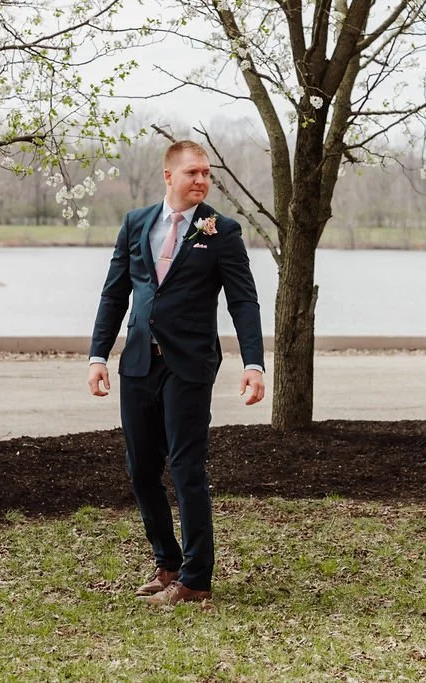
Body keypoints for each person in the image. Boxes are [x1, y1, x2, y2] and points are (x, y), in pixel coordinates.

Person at [87, 140, 266, 605]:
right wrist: (98, 356)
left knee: (187, 468)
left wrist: (253, 363)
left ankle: (196, 580)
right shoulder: (135, 224)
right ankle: (167, 562)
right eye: (192, 173)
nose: (202, 181)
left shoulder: (221, 231)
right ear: (169, 176)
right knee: (141, 469)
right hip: (139, 364)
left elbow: (242, 300)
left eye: (206, 173)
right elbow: (114, 295)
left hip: (189, 367)